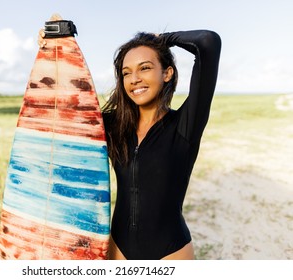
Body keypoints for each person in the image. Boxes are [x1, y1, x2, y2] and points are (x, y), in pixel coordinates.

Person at [39, 16, 222, 260]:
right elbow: (63, 109)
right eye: (126, 73)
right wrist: (53, 51)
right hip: (119, 249)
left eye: (145, 68)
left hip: (171, 252)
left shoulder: (185, 126)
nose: (134, 79)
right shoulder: (113, 125)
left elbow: (208, 42)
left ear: (167, 73)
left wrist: (161, 40)